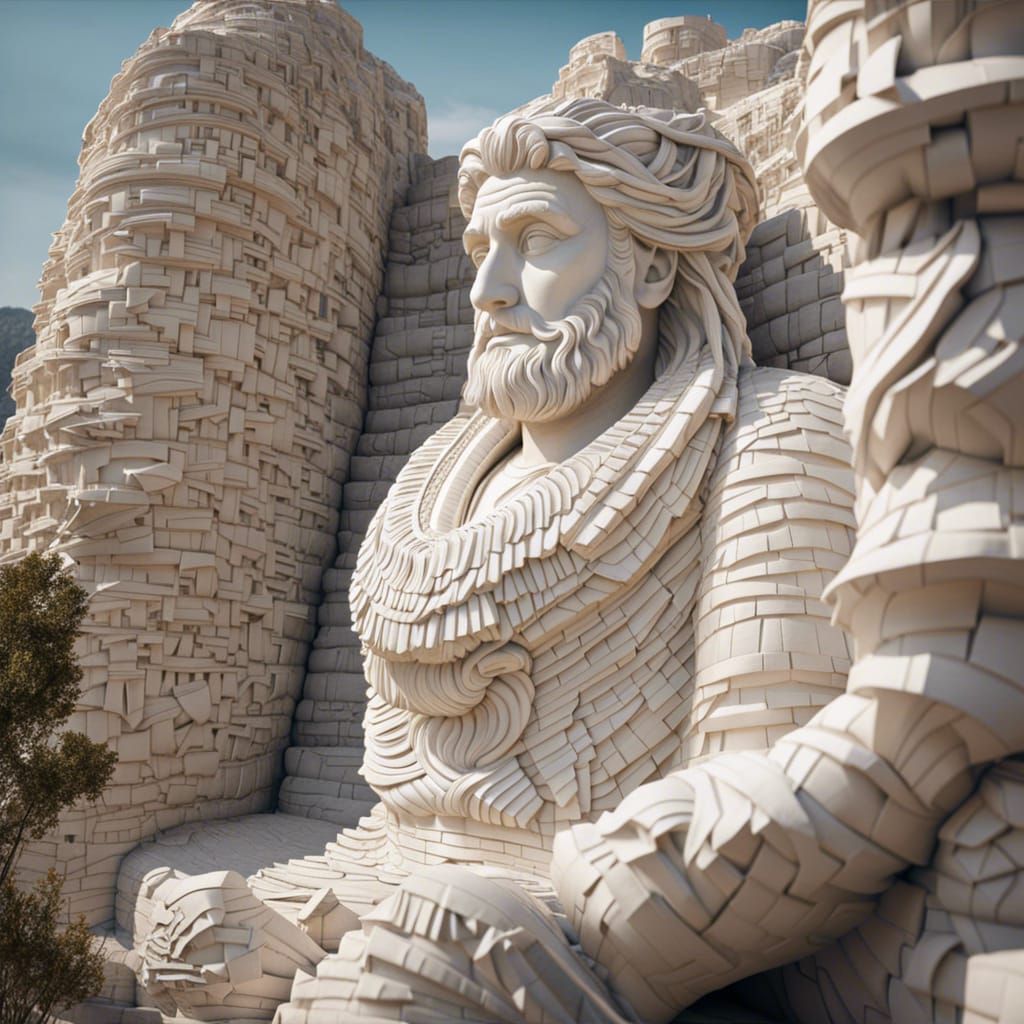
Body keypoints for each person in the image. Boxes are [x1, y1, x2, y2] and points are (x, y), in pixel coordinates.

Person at [136, 98, 859, 1022]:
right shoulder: (432, 478)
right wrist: (309, 922)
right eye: (483, 249)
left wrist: (466, 939)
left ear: (648, 267)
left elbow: (766, 838)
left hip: (591, 931)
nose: (490, 289)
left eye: (538, 239)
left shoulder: (775, 438)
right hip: (398, 889)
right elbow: (401, 830)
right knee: (184, 923)